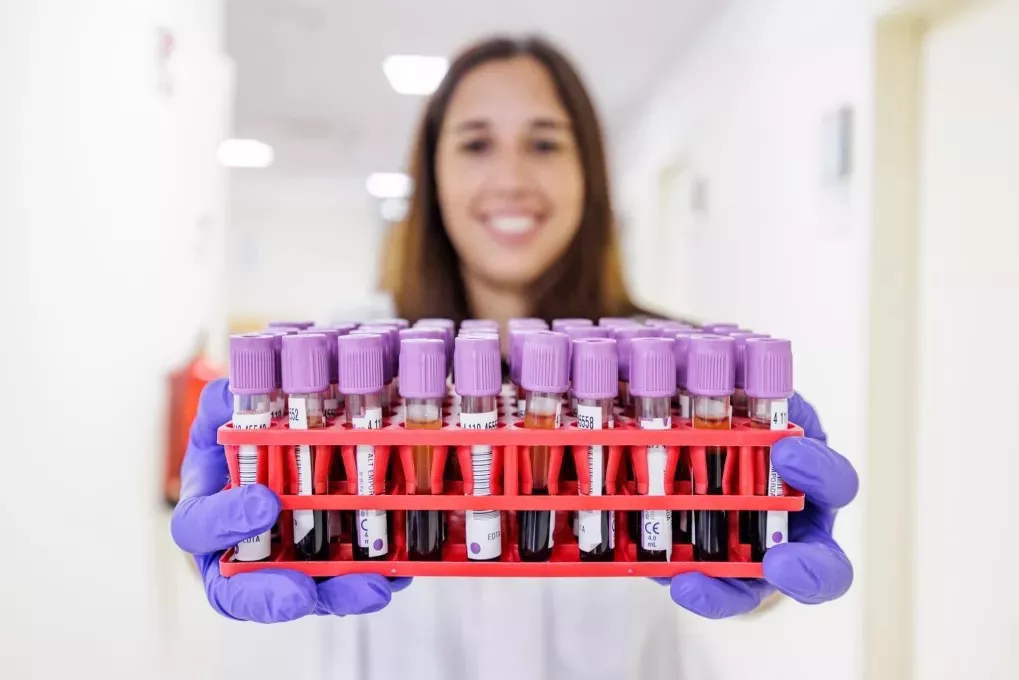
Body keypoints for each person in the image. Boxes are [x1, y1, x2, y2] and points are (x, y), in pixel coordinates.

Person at [171, 35, 858, 679]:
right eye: (476, 144)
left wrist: (768, 543)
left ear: (588, 171)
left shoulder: (682, 365)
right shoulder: (340, 352)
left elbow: (729, 567)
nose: (510, 176)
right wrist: (230, 535)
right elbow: (274, 555)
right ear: (432, 173)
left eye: (544, 142)